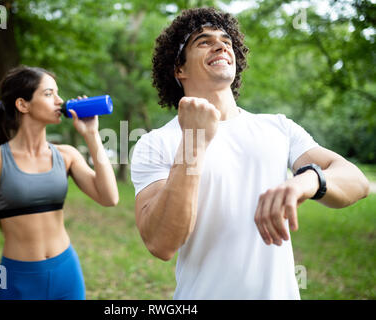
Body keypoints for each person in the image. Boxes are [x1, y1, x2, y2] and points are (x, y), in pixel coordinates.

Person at [131, 7, 369, 299]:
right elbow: (161, 243)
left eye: (226, 40)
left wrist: (305, 181)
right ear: (179, 69)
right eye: (203, 41)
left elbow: (357, 182)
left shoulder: (277, 127)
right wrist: (193, 142)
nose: (221, 45)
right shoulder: (156, 143)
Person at [0, 66, 119, 300]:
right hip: (16, 278)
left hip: (66, 273)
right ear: (23, 104)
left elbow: (110, 197)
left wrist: (92, 135)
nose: (60, 101)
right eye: (49, 94)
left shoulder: (66, 155)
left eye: (57, 93)